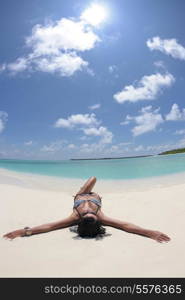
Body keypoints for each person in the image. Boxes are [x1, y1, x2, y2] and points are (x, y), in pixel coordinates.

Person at [3, 176, 171, 243]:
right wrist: (149, 233)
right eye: (92, 215)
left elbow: (50, 226)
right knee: (94, 178)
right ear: (98, 221)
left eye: (87, 215)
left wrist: (25, 231)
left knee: (92, 178)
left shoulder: (74, 217)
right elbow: (126, 225)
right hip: (93, 194)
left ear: (80, 221)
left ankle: (80, 191)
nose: (89, 212)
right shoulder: (102, 218)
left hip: (80, 193)